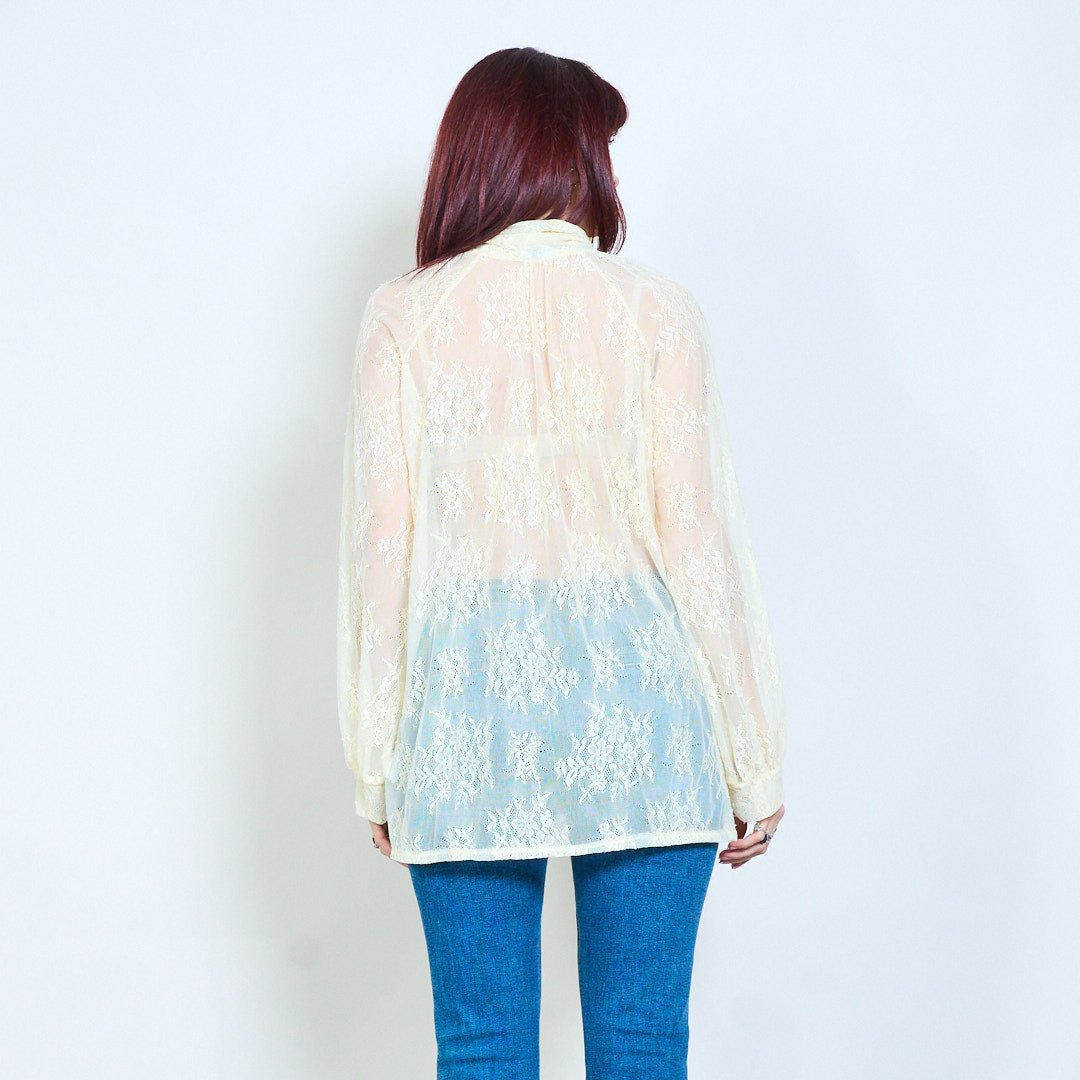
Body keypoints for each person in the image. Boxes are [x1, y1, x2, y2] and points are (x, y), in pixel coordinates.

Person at [337, 46, 787, 1080]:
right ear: (574, 156)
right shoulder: (657, 309)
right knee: (641, 1043)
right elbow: (697, 540)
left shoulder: (404, 313)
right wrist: (752, 753)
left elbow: (383, 550)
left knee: (481, 1045)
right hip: (645, 710)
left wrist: (379, 759)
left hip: (465, 716)